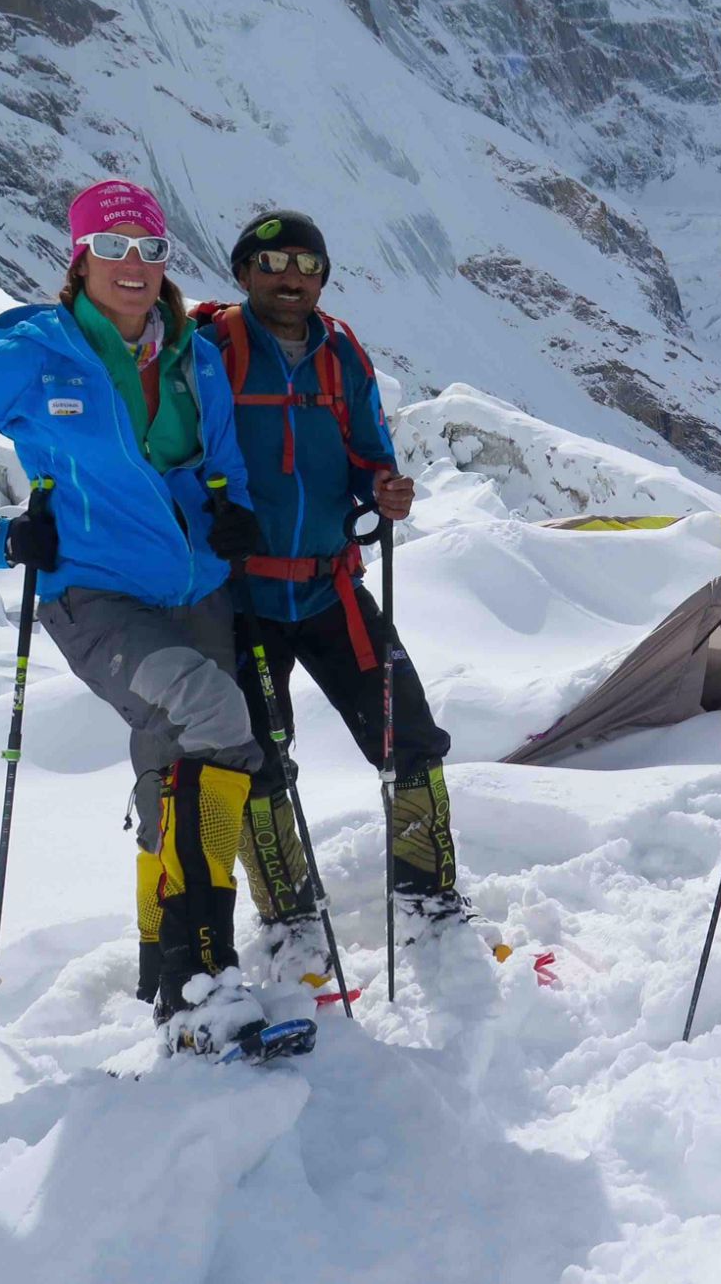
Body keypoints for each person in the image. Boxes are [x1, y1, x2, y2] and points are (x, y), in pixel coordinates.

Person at [0, 179, 276, 1055]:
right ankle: (206, 973)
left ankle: (163, 974)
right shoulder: (36, 358)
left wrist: (231, 513)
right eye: (114, 249)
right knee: (213, 715)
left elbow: (220, 462)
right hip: (92, 593)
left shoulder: (193, 356)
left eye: (151, 250)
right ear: (81, 258)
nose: (134, 267)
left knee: (171, 758)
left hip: (197, 584)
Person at [196, 210, 473, 982]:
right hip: (240, 597)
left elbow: (367, 451)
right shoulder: (211, 350)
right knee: (259, 761)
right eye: (274, 262)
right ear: (244, 272)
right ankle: (290, 914)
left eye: (307, 265)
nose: (292, 277)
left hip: (330, 589)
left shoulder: (341, 353)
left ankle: (427, 894)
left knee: (408, 735)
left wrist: (382, 488)